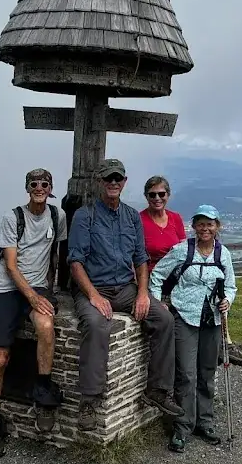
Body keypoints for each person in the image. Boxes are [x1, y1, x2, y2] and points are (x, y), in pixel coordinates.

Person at [68, 158, 184, 431]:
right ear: (100, 182)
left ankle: (157, 390)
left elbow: (141, 259)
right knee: (96, 324)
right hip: (93, 287)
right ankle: (89, 401)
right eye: (108, 178)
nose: (113, 182)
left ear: (124, 182)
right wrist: (93, 296)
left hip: (126, 288)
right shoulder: (85, 216)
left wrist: (143, 293)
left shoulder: (131, 217)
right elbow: (75, 262)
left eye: (117, 178)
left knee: (164, 320)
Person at [0, 168, 68, 457]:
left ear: (51, 188)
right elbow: (10, 265)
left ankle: (43, 390)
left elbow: (55, 254)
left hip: (38, 286)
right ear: (27, 188)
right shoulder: (13, 217)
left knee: (46, 326)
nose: (39, 188)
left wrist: (50, 291)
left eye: (44, 184)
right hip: (5, 289)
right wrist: (32, 296)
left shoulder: (57, 216)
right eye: (34, 184)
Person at [150, 204, 237, 453]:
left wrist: (227, 300)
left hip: (213, 319)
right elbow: (157, 275)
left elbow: (230, 286)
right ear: (194, 226)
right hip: (185, 316)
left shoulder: (223, 254)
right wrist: (158, 303)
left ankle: (204, 422)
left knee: (207, 371)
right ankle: (183, 427)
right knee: (186, 374)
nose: (205, 228)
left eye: (209, 224)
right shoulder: (182, 250)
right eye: (200, 224)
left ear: (217, 226)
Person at [139, 175, 186, 274]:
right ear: (146, 196)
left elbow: (183, 249)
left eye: (161, 194)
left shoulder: (176, 218)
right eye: (152, 195)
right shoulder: (139, 220)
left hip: (175, 274)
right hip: (150, 274)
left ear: (168, 195)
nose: (157, 198)